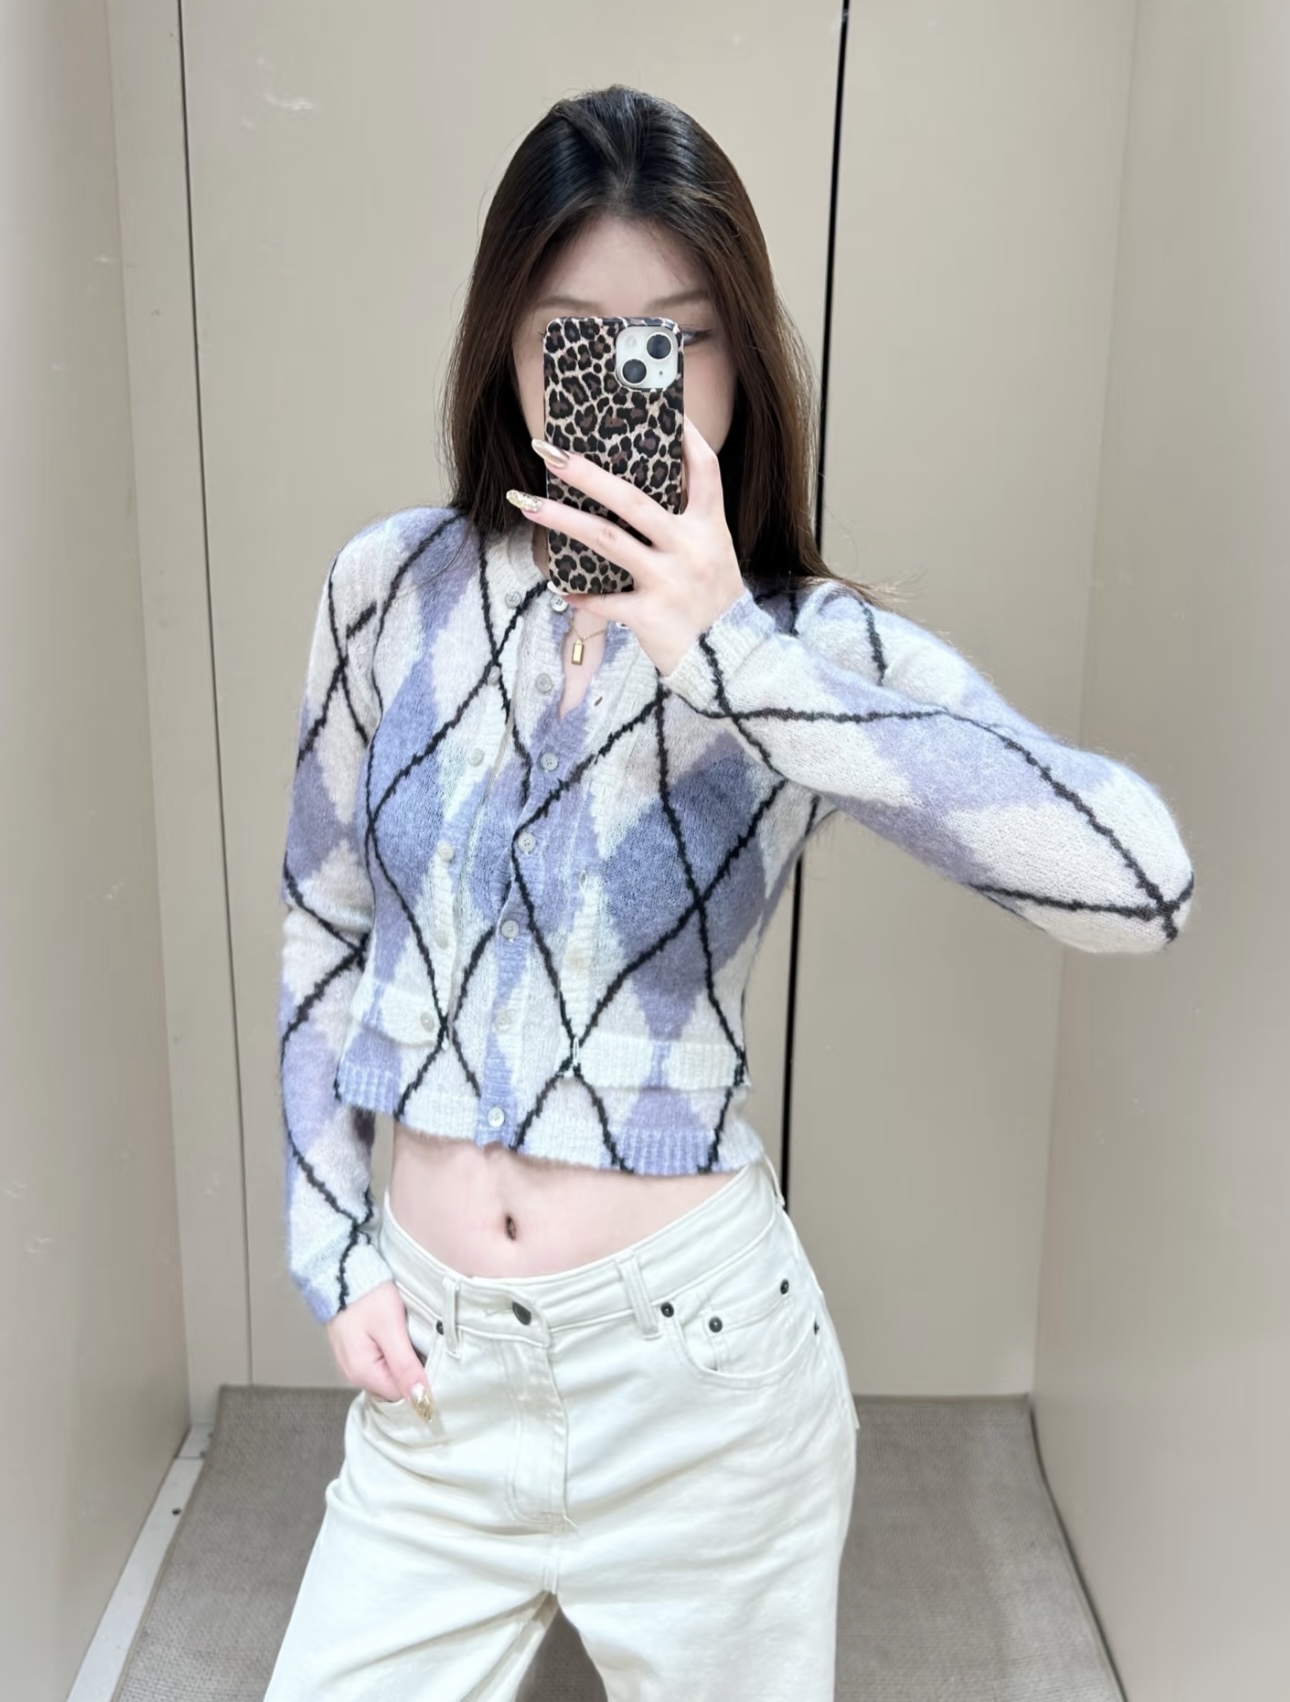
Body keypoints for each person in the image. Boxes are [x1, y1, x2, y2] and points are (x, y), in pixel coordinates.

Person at [265, 84, 1194, 1702]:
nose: (632, 379)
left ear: (741, 357)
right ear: (505, 344)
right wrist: (333, 1243)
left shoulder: (797, 644)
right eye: (575, 335)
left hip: (696, 1385)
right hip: (435, 1382)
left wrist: (731, 656)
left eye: (680, 337)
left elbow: (1136, 879)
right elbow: (324, 922)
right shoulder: (386, 589)